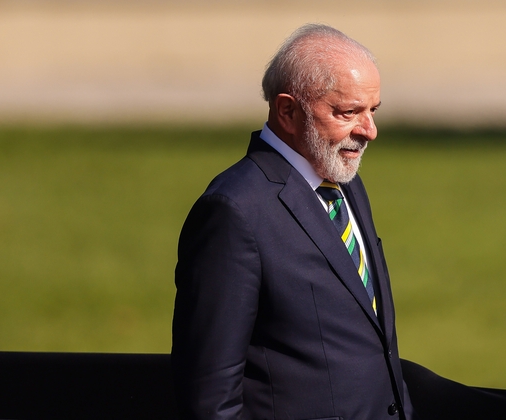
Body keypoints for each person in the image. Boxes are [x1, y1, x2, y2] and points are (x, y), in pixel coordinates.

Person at [171, 24, 415, 420]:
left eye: (373, 110)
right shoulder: (234, 212)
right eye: (348, 112)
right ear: (287, 110)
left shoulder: (343, 181)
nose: (369, 131)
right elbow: (209, 396)